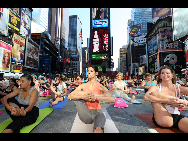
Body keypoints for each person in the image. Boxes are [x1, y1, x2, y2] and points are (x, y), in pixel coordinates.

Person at [68, 65, 115, 133]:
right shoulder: (83, 85)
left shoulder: (100, 86)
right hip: (85, 112)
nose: (88, 73)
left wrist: (96, 97)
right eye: (88, 71)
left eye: (91, 71)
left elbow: (113, 99)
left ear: (96, 73)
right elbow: (69, 96)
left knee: (98, 130)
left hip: (97, 112)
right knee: (78, 93)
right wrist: (83, 97)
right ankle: (98, 95)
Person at [144, 66, 188, 133]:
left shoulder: (178, 88)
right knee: (153, 95)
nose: (165, 75)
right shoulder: (156, 87)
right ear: (160, 76)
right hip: (162, 115)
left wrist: (184, 102)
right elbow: (146, 97)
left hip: (176, 115)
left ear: (172, 75)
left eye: (167, 73)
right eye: (162, 73)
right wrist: (168, 101)